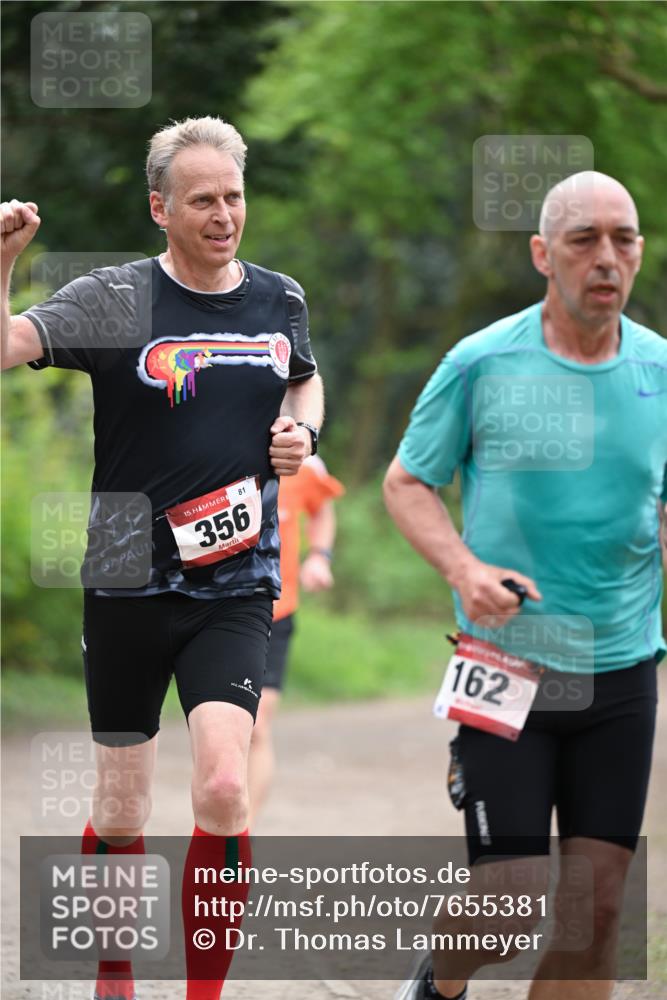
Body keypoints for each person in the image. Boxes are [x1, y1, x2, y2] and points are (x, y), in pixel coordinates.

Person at [1, 116, 324, 1000]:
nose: (224, 215)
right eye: (203, 200)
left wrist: (303, 430)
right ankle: (115, 979)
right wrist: (4, 263)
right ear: (160, 208)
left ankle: (202, 994)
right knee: (122, 807)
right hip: (123, 569)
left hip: (236, 579)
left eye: (234, 196)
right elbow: (6, 346)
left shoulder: (279, 298)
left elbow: (301, 372)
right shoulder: (115, 299)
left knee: (224, 783)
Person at [384, 171, 666, 1000]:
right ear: (544, 254)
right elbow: (407, 482)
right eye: (584, 240)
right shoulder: (481, 363)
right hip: (505, 662)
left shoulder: (660, 370)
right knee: (506, 904)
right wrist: (463, 570)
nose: (606, 258)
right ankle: (439, 983)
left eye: (624, 239)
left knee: (598, 911)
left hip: (620, 671)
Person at [248, 454, 344, 824]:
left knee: (256, 726)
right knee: (221, 731)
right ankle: (216, 815)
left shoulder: (301, 459)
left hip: (276, 610)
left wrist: (320, 556)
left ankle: (242, 834)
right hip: (214, 613)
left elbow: (322, 508)